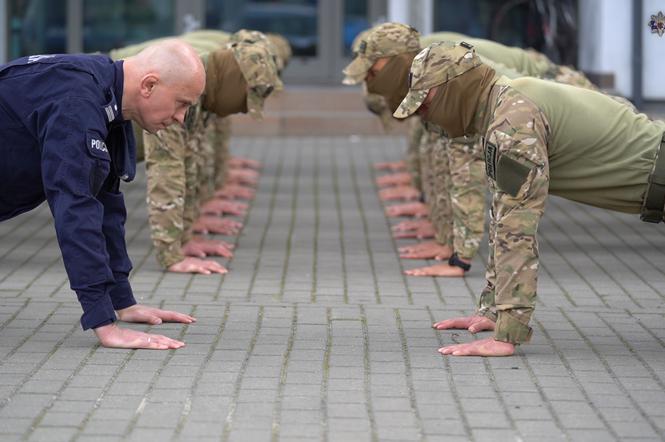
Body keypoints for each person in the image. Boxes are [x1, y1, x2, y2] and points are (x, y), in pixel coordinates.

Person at [393, 41, 665, 356]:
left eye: (426, 104)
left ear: (455, 88)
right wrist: (491, 311)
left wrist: (506, 334)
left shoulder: (513, 120)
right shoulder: (503, 104)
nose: (426, 117)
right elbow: (502, 217)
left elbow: (516, 226)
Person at [0, 39, 206, 349]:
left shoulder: (109, 96)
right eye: (182, 103)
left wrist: (123, 303)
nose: (182, 117)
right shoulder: (78, 103)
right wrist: (104, 324)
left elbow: (105, 205)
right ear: (149, 85)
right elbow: (75, 209)